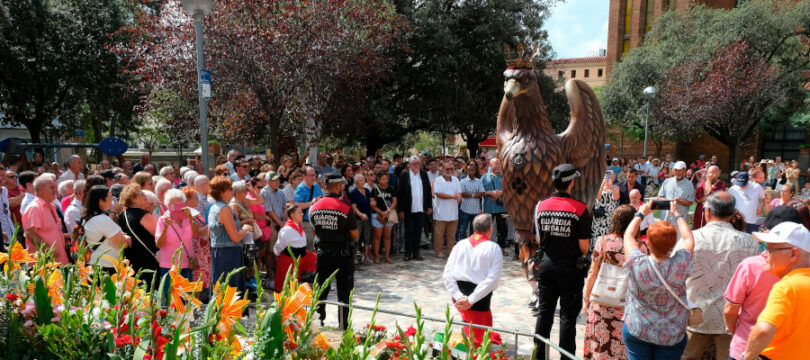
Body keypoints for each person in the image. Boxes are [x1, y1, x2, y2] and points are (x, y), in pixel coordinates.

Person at [682, 192, 760, 360]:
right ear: (732, 213)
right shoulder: (749, 242)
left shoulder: (691, 239)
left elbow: (675, 273)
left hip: (697, 314)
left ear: (707, 212)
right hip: (731, 317)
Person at [622, 200, 695, 359]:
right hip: (671, 332)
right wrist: (677, 214)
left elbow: (628, 235)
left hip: (638, 327)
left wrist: (641, 213)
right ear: (673, 244)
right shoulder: (681, 263)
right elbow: (689, 237)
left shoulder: (637, 262)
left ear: (647, 242)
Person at [532, 164, 592, 359]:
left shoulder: (540, 206)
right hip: (570, 269)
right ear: (572, 183)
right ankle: (566, 357)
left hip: (547, 266)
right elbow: (584, 247)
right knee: (567, 317)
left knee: (544, 313)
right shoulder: (580, 209)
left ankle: (538, 355)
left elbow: (538, 239)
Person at [722, 207, 797, 360]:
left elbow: (730, 309)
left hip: (747, 346)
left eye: (769, 246)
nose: (764, 252)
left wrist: (735, 331)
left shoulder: (751, 265)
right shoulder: (803, 272)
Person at [582, 205, 646, 360]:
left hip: (601, 302)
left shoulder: (604, 242)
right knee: (622, 349)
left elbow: (592, 273)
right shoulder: (641, 247)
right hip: (627, 307)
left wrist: (586, 298)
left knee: (599, 344)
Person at [743, 221, 810, 359]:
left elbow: (763, 330)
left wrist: (747, 357)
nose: (763, 254)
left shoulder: (786, 287)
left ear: (793, 254)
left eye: (770, 249)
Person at [442, 214, 503, 347]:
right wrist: (469, 300)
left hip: (460, 296)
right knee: (475, 342)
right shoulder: (494, 248)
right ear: (490, 228)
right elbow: (491, 281)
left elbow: (447, 275)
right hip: (478, 298)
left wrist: (459, 297)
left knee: (479, 327)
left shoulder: (459, 245)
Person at [312, 173, 359, 330]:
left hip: (322, 253)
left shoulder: (314, 207)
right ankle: (344, 326)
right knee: (344, 292)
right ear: (338, 186)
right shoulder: (345, 208)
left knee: (321, 290)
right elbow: (355, 234)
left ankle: (318, 324)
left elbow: (314, 230)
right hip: (342, 254)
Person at [208, 176, 252, 292]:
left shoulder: (213, 207)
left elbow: (210, 234)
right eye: (229, 189)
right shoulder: (225, 209)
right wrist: (246, 229)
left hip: (219, 253)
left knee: (221, 285)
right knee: (230, 287)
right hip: (229, 254)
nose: (232, 191)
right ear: (222, 191)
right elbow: (235, 237)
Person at [81, 185, 131, 270]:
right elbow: (123, 244)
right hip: (106, 266)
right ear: (101, 201)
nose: (112, 201)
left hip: (94, 263)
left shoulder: (88, 217)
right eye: (110, 198)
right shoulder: (102, 219)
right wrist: (126, 237)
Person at [156, 189, 198, 289]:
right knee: (171, 298)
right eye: (173, 204)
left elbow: (196, 235)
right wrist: (165, 228)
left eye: (179, 203)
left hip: (187, 264)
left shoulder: (188, 217)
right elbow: (158, 244)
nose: (177, 207)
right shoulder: (163, 220)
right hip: (169, 266)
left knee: (186, 297)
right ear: (167, 205)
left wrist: (191, 218)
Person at [119, 184, 159, 286]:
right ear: (133, 199)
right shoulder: (143, 215)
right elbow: (159, 235)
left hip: (131, 260)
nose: (145, 195)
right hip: (148, 260)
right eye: (141, 194)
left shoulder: (123, 214)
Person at [22, 175, 68, 264]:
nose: (55, 190)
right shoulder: (35, 208)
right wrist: (48, 248)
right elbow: (30, 234)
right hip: (45, 264)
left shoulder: (52, 206)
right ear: (40, 189)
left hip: (59, 262)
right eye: (51, 187)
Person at [273, 204, 317, 290]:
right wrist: (278, 255)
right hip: (289, 260)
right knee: (288, 286)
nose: (302, 214)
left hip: (301, 257)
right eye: (299, 212)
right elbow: (278, 247)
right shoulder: (287, 230)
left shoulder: (299, 227)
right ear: (292, 215)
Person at [398, 156, 432, 261]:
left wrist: (429, 206)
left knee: (418, 231)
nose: (416, 165)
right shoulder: (404, 175)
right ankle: (408, 252)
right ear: (409, 165)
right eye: (414, 163)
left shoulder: (423, 174)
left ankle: (416, 252)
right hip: (408, 209)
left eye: (418, 163)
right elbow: (400, 193)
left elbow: (428, 191)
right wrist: (401, 209)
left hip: (421, 208)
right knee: (409, 231)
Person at [181, 186, 212, 302]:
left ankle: (197, 303)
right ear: (187, 200)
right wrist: (209, 227)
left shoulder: (196, 213)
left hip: (203, 248)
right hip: (197, 250)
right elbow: (195, 233)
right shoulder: (188, 214)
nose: (197, 200)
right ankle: (194, 304)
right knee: (197, 278)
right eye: (195, 198)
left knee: (202, 278)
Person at [433, 160, 462, 258]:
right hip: (441, 212)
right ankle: (439, 251)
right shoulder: (438, 180)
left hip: (453, 212)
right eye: (447, 169)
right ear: (443, 169)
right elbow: (438, 193)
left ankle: (451, 251)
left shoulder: (456, 180)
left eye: (451, 169)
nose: (449, 170)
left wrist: (458, 197)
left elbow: (459, 193)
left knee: (451, 235)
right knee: (439, 234)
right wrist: (453, 197)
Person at [657, 161, 695, 230]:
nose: (677, 172)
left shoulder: (689, 185)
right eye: (676, 170)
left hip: (680, 219)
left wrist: (679, 201)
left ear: (684, 170)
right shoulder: (666, 182)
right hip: (665, 218)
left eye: (679, 170)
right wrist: (668, 201)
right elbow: (659, 196)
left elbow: (690, 201)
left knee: (679, 240)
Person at [293, 166, 323, 251]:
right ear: (304, 176)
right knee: (309, 248)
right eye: (311, 175)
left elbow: (322, 199)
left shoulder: (316, 186)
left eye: (314, 175)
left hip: (317, 223)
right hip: (306, 223)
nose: (314, 177)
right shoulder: (300, 189)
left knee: (316, 248)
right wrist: (312, 202)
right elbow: (297, 205)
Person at [370, 172, 397, 264]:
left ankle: (387, 256)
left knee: (387, 236)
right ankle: (376, 256)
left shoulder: (392, 189)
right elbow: (372, 204)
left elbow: (394, 202)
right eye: (383, 179)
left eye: (386, 179)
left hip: (388, 215)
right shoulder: (374, 190)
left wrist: (388, 211)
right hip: (377, 215)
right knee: (377, 237)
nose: (385, 181)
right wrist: (381, 212)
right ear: (378, 179)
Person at [456, 160, 485, 242]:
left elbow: (482, 193)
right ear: (467, 171)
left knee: (474, 231)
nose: (471, 172)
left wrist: (469, 194)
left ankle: (473, 245)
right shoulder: (463, 181)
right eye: (469, 170)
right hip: (465, 209)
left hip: (475, 210)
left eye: (472, 170)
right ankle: (461, 245)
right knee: (463, 230)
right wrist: (474, 195)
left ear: (475, 171)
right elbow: (462, 193)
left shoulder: (479, 181)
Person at [591, 170, 620, 248]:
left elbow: (616, 197)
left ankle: (608, 249)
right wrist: (603, 184)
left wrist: (611, 187)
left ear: (614, 177)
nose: (609, 177)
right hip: (600, 216)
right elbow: (598, 197)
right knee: (598, 234)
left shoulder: (616, 187)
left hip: (610, 216)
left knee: (609, 233)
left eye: (611, 175)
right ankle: (596, 250)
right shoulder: (599, 186)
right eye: (607, 175)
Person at [693, 165, 726, 229]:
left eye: (713, 172)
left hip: (713, 212)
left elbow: (719, 198)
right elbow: (697, 199)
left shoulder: (721, 184)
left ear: (718, 173)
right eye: (709, 172)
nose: (710, 174)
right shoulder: (702, 183)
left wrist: (706, 197)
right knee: (698, 229)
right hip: (700, 211)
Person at [349, 173, 372, 264]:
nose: (362, 182)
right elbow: (353, 207)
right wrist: (360, 214)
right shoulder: (354, 192)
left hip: (367, 218)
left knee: (367, 237)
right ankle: (354, 257)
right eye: (360, 180)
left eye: (363, 180)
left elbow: (370, 203)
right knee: (356, 238)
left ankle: (366, 257)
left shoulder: (367, 191)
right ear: (356, 182)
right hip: (358, 218)